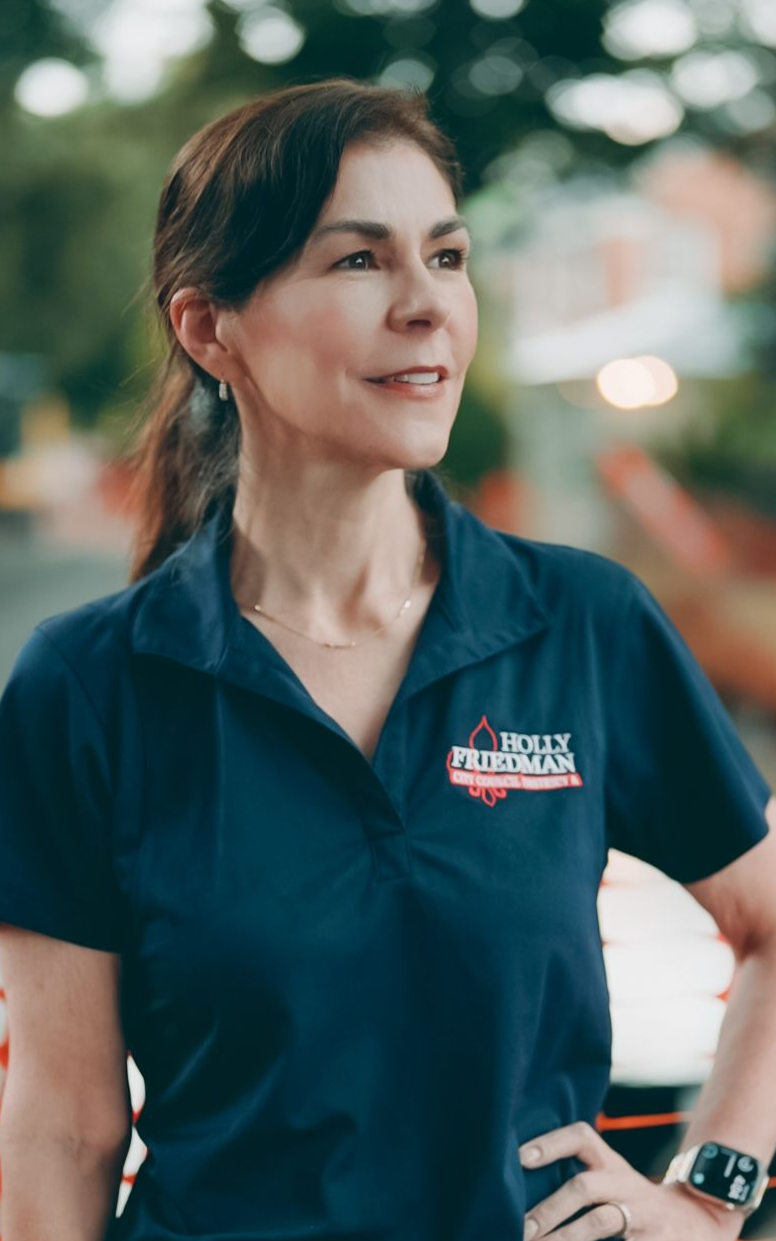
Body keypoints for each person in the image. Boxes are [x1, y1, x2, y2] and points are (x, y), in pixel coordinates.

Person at [0, 77, 775, 1241]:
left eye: (446, 257)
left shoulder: (581, 621)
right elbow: (63, 1124)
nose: (426, 307)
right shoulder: (90, 682)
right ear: (210, 328)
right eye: (357, 261)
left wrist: (707, 1196)